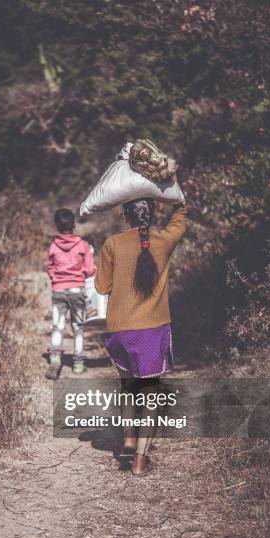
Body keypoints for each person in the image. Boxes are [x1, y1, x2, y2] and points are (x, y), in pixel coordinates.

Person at [95, 195, 187, 476]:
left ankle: (128, 437)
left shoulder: (112, 244)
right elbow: (180, 217)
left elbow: (101, 287)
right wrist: (174, 188)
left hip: (119, 330)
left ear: (125, 215)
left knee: (127, 386)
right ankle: (139, 460)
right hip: (152, 329)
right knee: (150, 392)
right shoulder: (164, 241)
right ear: (153, 213)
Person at [46, 208, 96, 380]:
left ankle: (54, 358)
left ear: (56, 225)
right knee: (78, 327)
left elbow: (50, 268)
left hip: (58, 290)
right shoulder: (83, 245)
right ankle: (78, 363)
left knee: (58, 326)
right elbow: (89, 270)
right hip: (77, 290)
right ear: (73, 225)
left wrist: (55, 278)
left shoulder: (53, 246)